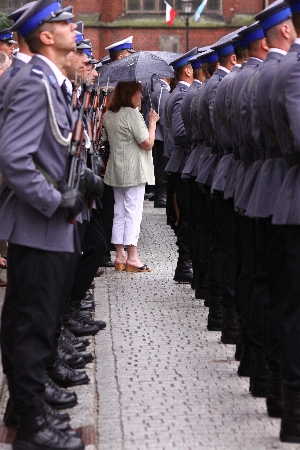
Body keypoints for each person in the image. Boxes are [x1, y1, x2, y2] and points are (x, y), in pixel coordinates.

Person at [0, 0, 86, 447]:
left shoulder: (49, 82)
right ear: (46, 36)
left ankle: (23, 409)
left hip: (49, 223)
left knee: (34, 319)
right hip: (40, 222)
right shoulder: (36, 83)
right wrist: (57, 201)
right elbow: (14, 159)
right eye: (64, 23)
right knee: (32, 324)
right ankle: (31, 428)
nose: (74, 27)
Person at [102, 81, 159, 272]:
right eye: (138, 93)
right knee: (133, 212)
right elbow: (147, 143)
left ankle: (119, 255)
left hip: (115, 169)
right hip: (134, 170)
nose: (141, 97)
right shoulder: (132, 114)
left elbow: (104, 140)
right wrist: (152, 122)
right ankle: (133, 257)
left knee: (119, 211)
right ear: (129, 95)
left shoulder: (109, 114)